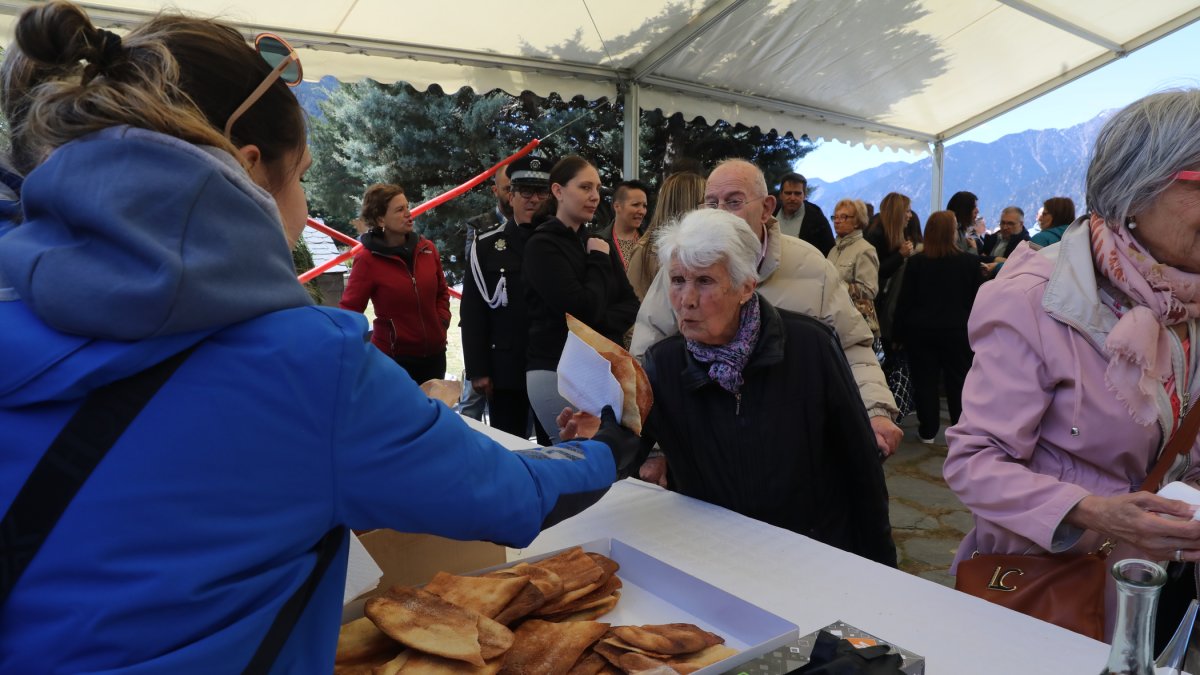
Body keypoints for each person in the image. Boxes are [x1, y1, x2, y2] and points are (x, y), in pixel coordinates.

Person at [0, 4, 642, 671]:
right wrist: (603, 450)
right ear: (248, 166)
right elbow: (509, 493)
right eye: (302, 174)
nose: (305, 204)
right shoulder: (305, 366)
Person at [943, 89, 1200, 642]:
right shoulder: (1036, 297)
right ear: (1137, 186)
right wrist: (1096, 511)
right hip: (1054, 591)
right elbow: (974, 463)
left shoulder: (1189, 296)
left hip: (1158, 587)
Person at [564, 209, 897, 565]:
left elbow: (861, 467)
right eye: (677, 280)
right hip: (717, 553)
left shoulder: (809, 346)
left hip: (811, 552)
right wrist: (592, 443)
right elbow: (629, 442)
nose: (686, 299)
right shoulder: (665, 364)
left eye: (704, 281)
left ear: (745, 287)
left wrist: (882, 568)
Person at [630, 159, 902, 457]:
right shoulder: (682, 268)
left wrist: (875, 411)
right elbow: (647, 361)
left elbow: (852, 347)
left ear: (767, 207)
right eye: (711, 203)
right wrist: (657, 449)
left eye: (733, 201)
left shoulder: (809, 265)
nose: (720, 212)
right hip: (705, 447)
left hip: (795, 445)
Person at [524, 155, 640, 443]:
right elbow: (580, 310)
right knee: (574, 462)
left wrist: (595, 318)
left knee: (605, 464)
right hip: (556, 370)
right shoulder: (542, 245)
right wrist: (599, 261)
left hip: (599, 370)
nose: (594, 197)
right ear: (558, 191)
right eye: (585, 187)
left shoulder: (598, 243)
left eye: (598, 189)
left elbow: (631, 304)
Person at [460, 154, 553, 443]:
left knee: (555, 447)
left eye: (540, 192)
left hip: (553, 366)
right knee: (507, 446)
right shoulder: (486, 245)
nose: (533, 200)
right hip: (506, 368)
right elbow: (473, 311)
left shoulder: (562, 244)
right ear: (510, 196)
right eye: (525, 191)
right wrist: (478, 370)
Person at [339, 183, 451, 384]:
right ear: (381, 218)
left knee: (434, 414)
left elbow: (442, 292)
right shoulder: (367, 259)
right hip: (394, 360)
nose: (409, 214)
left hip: (435, 356)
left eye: (407, 207)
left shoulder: (428, 249)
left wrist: (441, 322)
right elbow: (349, 311)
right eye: (400, 210)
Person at [894, 211, 982, 443]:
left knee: (924, 381)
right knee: (959, 381)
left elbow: (905, 301)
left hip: (920, 332)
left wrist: (897, 333)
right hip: (957, 332)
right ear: (952, 232)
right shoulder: (970, 263)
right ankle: (960, 428)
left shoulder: (916, 263)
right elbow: (976, 301)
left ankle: (928, 429)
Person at [458, 164, 513, 421]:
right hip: (484, 324)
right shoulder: (479, 226)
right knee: (471, 402)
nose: (513, 194)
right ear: (495, 190)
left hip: (510, 334)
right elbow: (475, 273)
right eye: (507, 189)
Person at [625, 171, 705, 300]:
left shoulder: (707, 247)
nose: (710, 207)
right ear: (690, 205)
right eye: (705, 201)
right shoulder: (645, 252)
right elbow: (633, 307)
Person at [826, 198, 880, 338]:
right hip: (833, 321)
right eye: (835, 217)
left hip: (855, 326)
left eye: (843, 217)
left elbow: (869, 290)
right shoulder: (833, 250)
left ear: (857, 221)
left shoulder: (865, 250)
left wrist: (838, 286)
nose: (837, 221)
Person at [775, 171, 835, 255]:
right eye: (788, 193)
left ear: (805, 195)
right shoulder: (771, 212)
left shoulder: (816, 219)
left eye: (797, 193)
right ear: (781, 195)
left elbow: (829, 251)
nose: (792, 198)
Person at [599, 179, 648, 270]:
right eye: (636, 205)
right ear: (617, 206)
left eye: (644, 206)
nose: (642, 211)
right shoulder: (598, 241)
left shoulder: (651, 243)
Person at [979, 206, 1030, 277]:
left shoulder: (1026, 244)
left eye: (1010, 224)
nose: (1005, 227)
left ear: (1021, 224)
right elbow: (980, 257)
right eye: (1002, 223)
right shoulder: (993, 237)